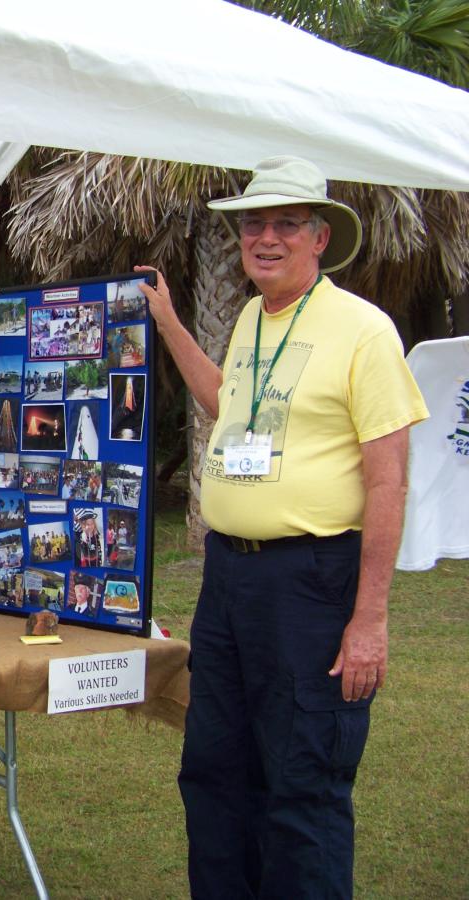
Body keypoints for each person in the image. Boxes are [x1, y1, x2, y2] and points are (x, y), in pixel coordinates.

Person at [137, 156, 428, 899]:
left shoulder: (364, 331)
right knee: (215, 767)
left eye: (286, 224)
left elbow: (387, 479)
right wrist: (168, 322)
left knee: (303, 779)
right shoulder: (248, 320)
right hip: (229, 580)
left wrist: (369, 619)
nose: (266, 238)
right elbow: (223, 405)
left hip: (312, 582)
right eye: (254, 224)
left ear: (320, 238)